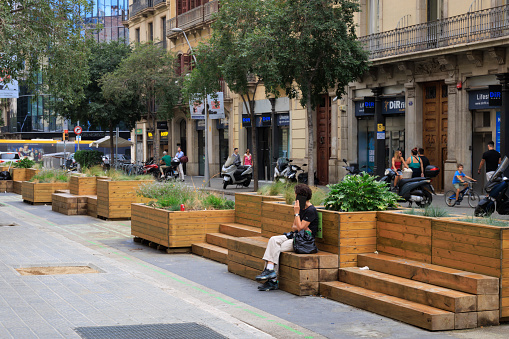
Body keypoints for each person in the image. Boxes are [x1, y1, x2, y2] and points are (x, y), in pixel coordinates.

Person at [255, 184, 318, 291]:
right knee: (273, 240)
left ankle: (273, 280)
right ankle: (270, 271)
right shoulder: (301, 208)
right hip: (296, 237)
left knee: (275, 248)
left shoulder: (310, 210)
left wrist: (297, 214)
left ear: (300, 196)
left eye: (296, 195)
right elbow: (294, 227)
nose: (295, 197)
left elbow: (299, 227)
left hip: (304, 242)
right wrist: (300, 225)